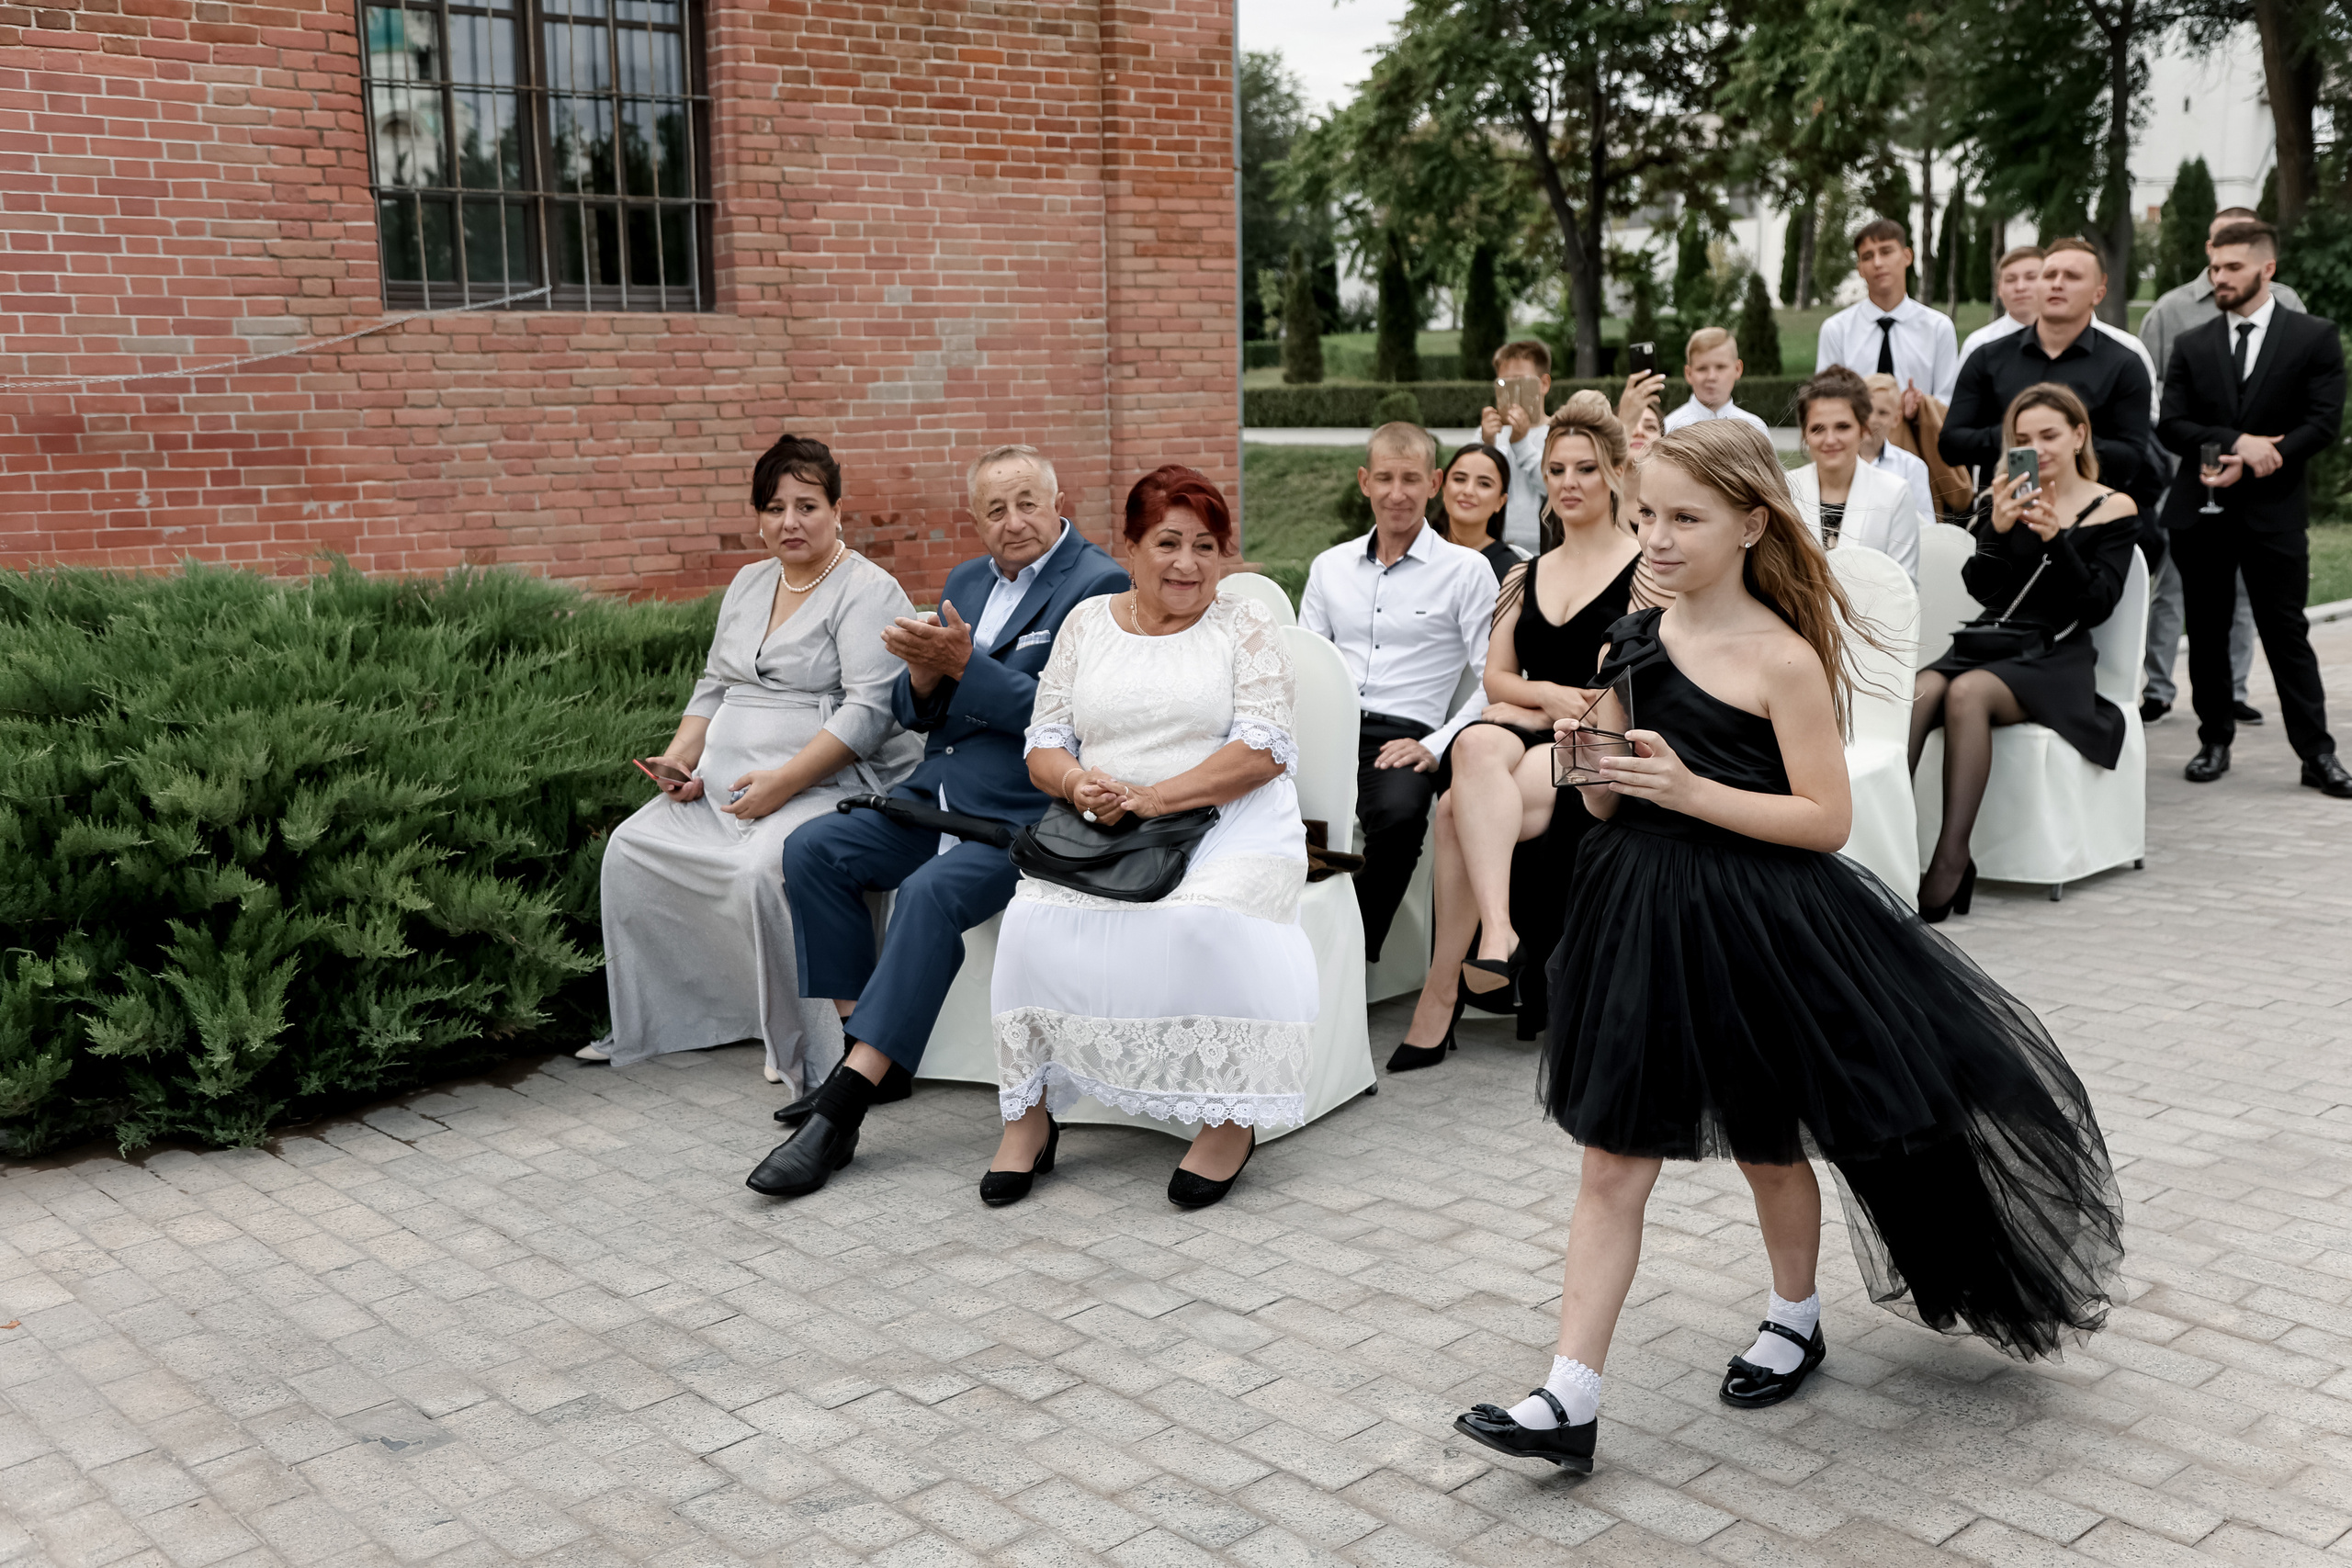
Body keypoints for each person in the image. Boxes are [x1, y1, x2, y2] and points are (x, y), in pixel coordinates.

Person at [1452, 421, 2121, 1475]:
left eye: (1685, 519)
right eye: (1646, 517)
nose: (1656, 539)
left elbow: (1824, 820)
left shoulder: (1783, 659)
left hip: (1756, 922)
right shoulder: (1632, 641)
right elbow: (1606, 805)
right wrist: (1591, 766)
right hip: (1637, 914)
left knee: (1768, 1147)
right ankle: (1568, 1395)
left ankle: (1793, 1317)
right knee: (1611, 1159)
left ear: (1750, 525)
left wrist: (1690, 789)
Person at [746, 445, 1130, 1198]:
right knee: (814, 848)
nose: (1013, 521)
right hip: (937, 794)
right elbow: (914, 709)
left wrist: (963, 669)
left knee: (927, 893)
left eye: (1027, 502)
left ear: (1059, 502)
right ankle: (871, 1054)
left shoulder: (1099, 585)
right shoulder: (965, 581)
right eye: (995, 509)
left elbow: (1077, 715)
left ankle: (844, 1105)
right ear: (976, 521)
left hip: (1029, 814)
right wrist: (923, 677)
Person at [983, 469, 1315, 1209]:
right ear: (1129, 547)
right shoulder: (1086, 623)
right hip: (1106, 827)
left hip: (1231, 817)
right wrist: (1078, 784)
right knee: (1031, 920)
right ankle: (1029, 1117)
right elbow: (1044, 743)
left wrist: (1156, 797)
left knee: (1204, 920)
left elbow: (1263, 750)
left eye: (1205, 546)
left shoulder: (1244, 624)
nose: (1187, 563)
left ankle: (1228, 1115)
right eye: (1167, 543)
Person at [584, 434, 923, 1088]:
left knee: (760, 870)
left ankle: (797, 1039)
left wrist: (784, 783)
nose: (789, 522)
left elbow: (869, 712)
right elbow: (715, 682)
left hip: (825, 783)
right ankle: (674, 1019)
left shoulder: (868, 590)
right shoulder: (749, 581)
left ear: (837, 511)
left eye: (807, 506)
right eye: (774, 508)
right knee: (630, 850)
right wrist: (680, 761)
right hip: (723, 785)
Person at [1389, 393, 1657, 1072]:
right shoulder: (1523, 572)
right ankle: (1500, 933)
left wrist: (1547, 712)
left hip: (1600, 744)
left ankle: (1443, 992)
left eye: (1586, 469)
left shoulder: (1646, 570)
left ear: (1615, 473)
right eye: (1557, 469)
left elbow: (1631, 688)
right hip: (1531, 727)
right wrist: (1541, 700)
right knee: (1476, 741)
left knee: (1454, 809)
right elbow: (1498, 677)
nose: (1569, 482)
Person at [1914, 385, 2143, 917]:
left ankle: (1951, 859)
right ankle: (1884, 851)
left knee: (1967, 694)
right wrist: (1995, 529)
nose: (2035, 448)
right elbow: (1983, 590)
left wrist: (2055, 538)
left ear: (2079, 436)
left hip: (2055, 651)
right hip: (1992, 638)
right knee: (1921, 690)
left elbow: (2097, 604)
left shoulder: (2113, 506)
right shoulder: (2003, 498)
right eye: (2022, 439)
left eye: (2049, 435)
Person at [2158, 220, 2352, 797]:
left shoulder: (2313, 336)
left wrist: (2271, 455)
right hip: (2202, 511)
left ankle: (2317, 754)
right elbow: (2172, 424)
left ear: (2267, 269)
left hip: (2276, 511)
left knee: (2286, 631)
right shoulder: (2192, 344)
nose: (2220, 277)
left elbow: (2323, 421)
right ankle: (2213, 741)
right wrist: (2236, 442)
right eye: (2215, 267)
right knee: (2208, 632)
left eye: (2233, 267)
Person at [1300, 422, 1498, 964]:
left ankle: (1348, 959)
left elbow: (1496, 678)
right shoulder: (1330, 567)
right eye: (1385, 478)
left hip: (1403, 738)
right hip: (1326, 731)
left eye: (1411, 479)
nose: (1397, 493)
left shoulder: (1467, 571)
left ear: (1434, 483)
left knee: (1400, 818)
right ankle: (1283, 952)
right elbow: (1306, 666)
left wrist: (1434, 746)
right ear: (1365, 481)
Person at [2138, 207, 2306, 727]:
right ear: (2209, 247)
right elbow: (2151, 392)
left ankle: (2233, 689)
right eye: (2219, 243)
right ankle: (2158, 688)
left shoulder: (2287, 304)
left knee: (2245, 591)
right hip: (2186, 473)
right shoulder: (2170, 310)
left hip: (2259, 477)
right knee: (2172, 586)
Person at [1940, 238, 2153, 498]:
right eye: (2049, 275)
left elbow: (2131, 458)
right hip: (2003, 509)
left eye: (2072, 276)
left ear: (2098, 293)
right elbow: (1950, 445)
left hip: (2091, 511)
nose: (2057, 284)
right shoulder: (1987, 357)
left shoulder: (2125, 364)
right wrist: (2018, 436)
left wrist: (2062, 441)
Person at [1786, 367, 1921, 581]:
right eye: (1818, 429)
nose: (1830, 440)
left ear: (1863, 429)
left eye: (1842, 427)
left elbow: (1904, 586)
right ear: (1805, 434)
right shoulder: (1784, 491)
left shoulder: (1894, 494)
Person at [1815, 219, 1960, 412]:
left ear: (1907, 257)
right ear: (1860, 269)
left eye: (1886, 252)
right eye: (1867, 256)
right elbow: (1826, 400)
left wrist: (1920, 407)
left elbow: (1948, 400)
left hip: (1918, 430)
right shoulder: (1837, 330)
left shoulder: (1938, 328)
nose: (1877, 263)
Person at [1479, 339, 1556, 555]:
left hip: (1542, 542)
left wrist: (1521, 444)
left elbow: (1553, 487)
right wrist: (1486, 444)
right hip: (1492, 540)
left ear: (1543, 384)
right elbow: (1475, 482)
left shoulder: (1557, 433)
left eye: (1521, 382)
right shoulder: (1488, 432)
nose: (1513, 391)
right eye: (1504, 383)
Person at [1433, 442, 1524, 581]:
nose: (1468, 491)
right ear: (1444, 488)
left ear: (1501, 501)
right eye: (1459, 479)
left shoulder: (1512, 571)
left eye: (1484, 484)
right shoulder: (1415, 551)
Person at [1857, 371, 1936, 525]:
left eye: (1882, 413)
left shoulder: (1912, 467)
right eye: (1866, 409)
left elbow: (1925, 526)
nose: (1872, 419)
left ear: (1896, 419)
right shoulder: (1841, 461)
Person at [1662, 327, 1770, 437]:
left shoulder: (1755, 429)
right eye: (1702, 369)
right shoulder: (1670, 428)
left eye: (1720, 367)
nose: (1711, 377)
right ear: (1688, 373)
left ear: (1737, 369)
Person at [1956, 246, 2048, 367]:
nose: (2020, 287)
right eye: (2011, 280)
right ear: (1999, 288)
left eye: (2031, 277)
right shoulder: (1979, 345)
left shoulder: (2068, 342)